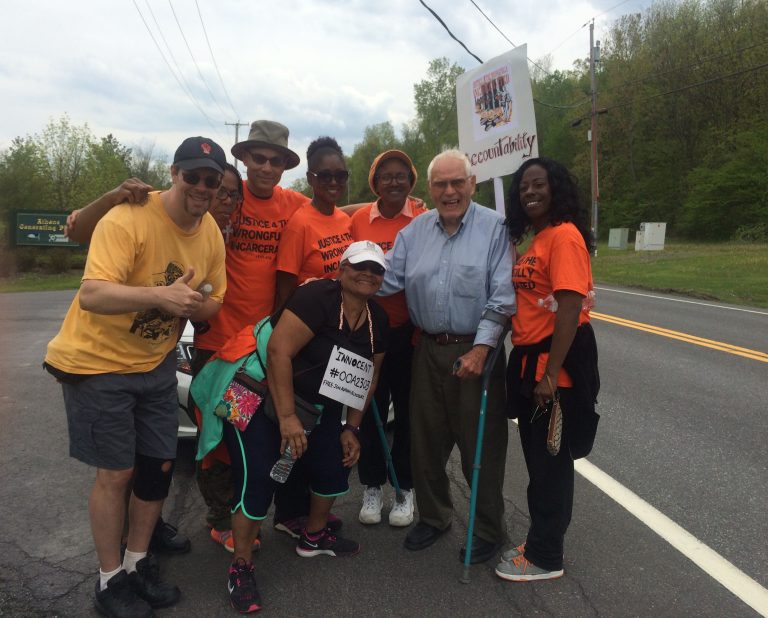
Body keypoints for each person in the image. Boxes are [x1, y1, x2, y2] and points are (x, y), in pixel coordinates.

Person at [43, 136, 227, 617]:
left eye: (212, 180)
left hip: (155, 363)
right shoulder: (130, 216)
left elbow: (214, 299)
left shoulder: (210, 232)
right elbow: (92, 295)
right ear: (174, 173)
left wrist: (194, 303)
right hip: (97, 362)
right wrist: (162, 297)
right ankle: (109, 581)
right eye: (193, 176)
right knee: (117, 471)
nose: (203, 187)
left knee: (158, 463)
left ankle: (137, 561)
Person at [192, 240, 389, 613]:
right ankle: (241, 567)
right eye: (359, 266)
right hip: (255, 391)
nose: (368, 274)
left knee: (334, 468)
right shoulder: (316, 296)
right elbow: (278, 352)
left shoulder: (378, 319)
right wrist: (286, 418)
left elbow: (368, 379)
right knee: (257, 484)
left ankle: (313, 536)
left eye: (377, 269)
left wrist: (353, 428)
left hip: (316, 404)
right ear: (341, 269)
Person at [378, 149, 516, 565]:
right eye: (441, 184)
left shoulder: (495, 228)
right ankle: (435, 517)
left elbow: (503, 296)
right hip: (427, 349)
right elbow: (386, 279)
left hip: (478, 351)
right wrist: (342, 282)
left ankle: (489, 530)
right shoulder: (414, 231)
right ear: (431, 189)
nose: (450, 191)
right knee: (424, 441)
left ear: (472, 184)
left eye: (458, 183)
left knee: (481, 448)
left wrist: (481, 348)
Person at [494, 157, 600, 582]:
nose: (530, 192)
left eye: (538, 184)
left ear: (556, 189)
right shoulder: (541, 239)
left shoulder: (565, 238)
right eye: (523, 187)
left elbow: (571, 307)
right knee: (539, 461)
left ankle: (544, 557)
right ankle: (540, 540)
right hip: (530, 360)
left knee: (550, 464)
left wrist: (551, 375)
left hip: (554, 367)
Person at [349, 149, 426, 527]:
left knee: (410, 414)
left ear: (411, 182)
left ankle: (404, 488)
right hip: (368, 331)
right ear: (375, 183)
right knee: (368, 409)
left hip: (411, 333)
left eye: (401, 176)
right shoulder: (360, 219)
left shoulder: (424, 218)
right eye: (386, 176)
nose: (393, 181)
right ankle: (372, 485)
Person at [274, 136, 353, 308]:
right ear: (311, 179)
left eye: (340, 176)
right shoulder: (299, 225)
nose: (333, 182)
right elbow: (284, 292)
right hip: (309, 322)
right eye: (325, 176)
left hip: (341, 318)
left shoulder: (345, 220)